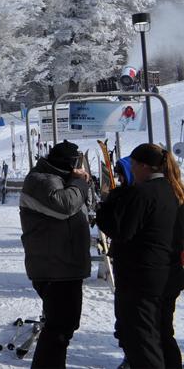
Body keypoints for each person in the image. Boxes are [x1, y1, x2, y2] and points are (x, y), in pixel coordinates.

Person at [96, 144, 184, 369]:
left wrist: (107, 205)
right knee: (162, 333)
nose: (132, 170)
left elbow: (121, 230)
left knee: (142, 339)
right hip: (168, 274)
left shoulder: (143, 193)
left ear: (144, 166)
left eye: (134, 165)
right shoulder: (174, 190)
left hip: (141, 278)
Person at [19, 140, 90, 368]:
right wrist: (79, 182)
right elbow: (66, 205)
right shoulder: (41, 180)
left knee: (62, 327)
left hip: (63, 265)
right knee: (59, 329)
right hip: (55, 267)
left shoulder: (57, 179)